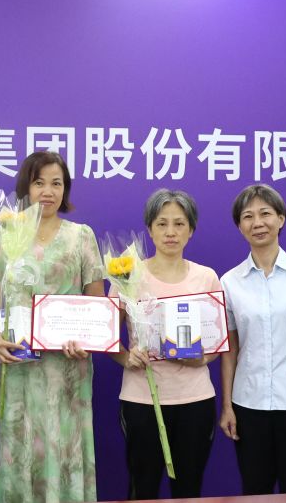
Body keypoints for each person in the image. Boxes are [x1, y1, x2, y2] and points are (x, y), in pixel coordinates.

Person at [0, 151, 105, 503]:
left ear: (65, 190)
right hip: (19, 364)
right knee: (21, 445)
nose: (48, 192)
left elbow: (97, 303)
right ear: (26, 187)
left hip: (68, 369)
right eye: (39, 183)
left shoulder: (81, 236)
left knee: (66, 446)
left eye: (56, 183)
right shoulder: (6, 235)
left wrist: (87, 340)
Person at [218, 184, 286, 495]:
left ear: (281, 218)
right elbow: (230, 349)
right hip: (248, 404)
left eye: (265, 213)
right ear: (239, 226)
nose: (258, 223)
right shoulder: (230, 282)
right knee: (255, 491)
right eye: (248, 216)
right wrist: (227, 405)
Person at [114, 189, 219, 500]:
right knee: (142, 488)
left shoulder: (207, 277)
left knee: (189, 489)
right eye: (162, 224)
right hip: (141, 399)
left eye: (179, 223)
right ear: (150, 229)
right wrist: (127, 357)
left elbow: (217, 340)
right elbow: (106, 335)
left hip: (195, 400)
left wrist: (202, 358)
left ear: (191, 230)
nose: (170, 232)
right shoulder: (128, 275)